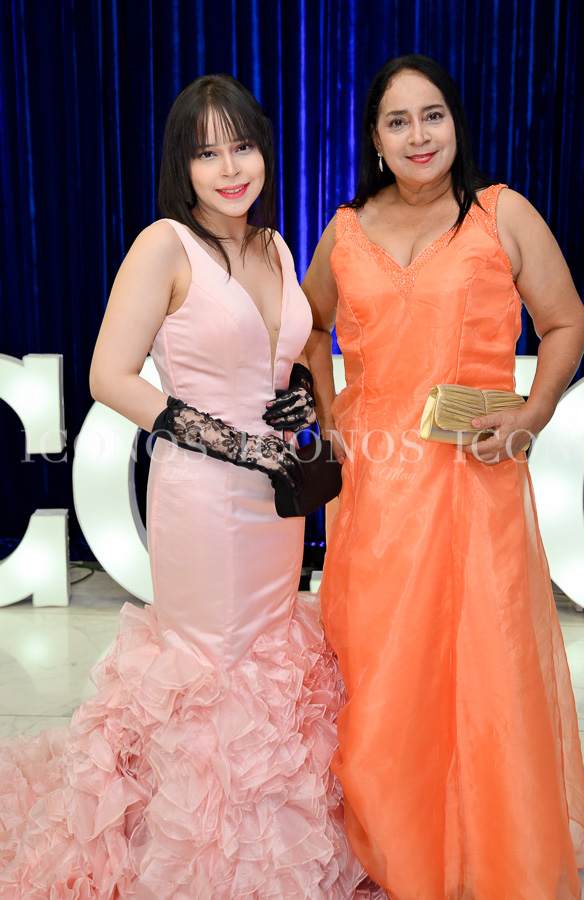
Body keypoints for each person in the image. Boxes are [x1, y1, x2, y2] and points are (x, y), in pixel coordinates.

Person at [0, 74, 379, 899]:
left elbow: (282, 355)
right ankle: (197, 857)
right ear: (183, 165)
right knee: (212, 665)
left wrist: (296, 396)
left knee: (270, 654)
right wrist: (234, 442)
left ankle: (273, 846)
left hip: (277, 500)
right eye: (208, 153)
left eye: (242, 146)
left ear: (264, 151)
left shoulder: (275, 246)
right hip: (202, 498)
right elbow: (108, 375)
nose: (230, 168)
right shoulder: (164, 246)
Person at [302, 54, 584, 900]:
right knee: (386, 673)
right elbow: (311, 326)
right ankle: (396, 849)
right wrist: (328, 415)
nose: (418, 135)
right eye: (398, 121)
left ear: (456, 123)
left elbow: (566, 320)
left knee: (483, 671)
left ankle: (487, 848)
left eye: (433, 115)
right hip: (377, 494)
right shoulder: (345, 229)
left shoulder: (501, 214)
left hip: (474, 480)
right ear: (374, 138)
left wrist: (532, 413)